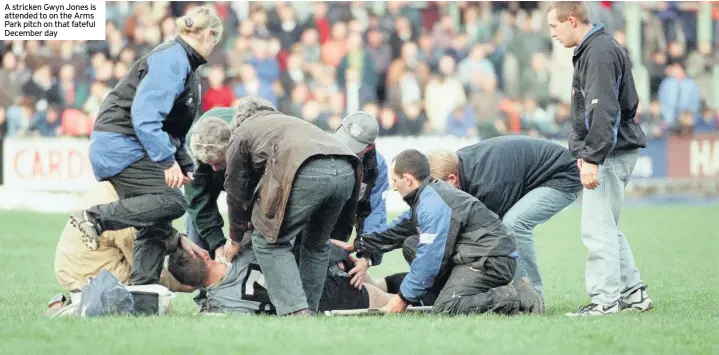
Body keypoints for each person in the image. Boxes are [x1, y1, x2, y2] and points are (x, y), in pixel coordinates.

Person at [69, 7, 222, 287]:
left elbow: (170, 127)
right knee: (173, 201)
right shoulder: (172, 60)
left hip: (128, 144)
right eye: (216, 41)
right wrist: (167, 162)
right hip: (120, 144)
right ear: (210, 34)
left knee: (158, 219)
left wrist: (183, 163)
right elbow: (146, 117)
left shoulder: (183, 63)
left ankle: (143, 294)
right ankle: (94, 218)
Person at [189, 96, 363, 316]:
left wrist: (234, 239)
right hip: (347, 167)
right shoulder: (287, 121)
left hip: (307, 170)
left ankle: (296, 312)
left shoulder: (241, 134)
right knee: (316, 245)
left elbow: (236, 192)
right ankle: (310, 310)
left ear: (238, 122)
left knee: (267, 241)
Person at [336, 149, 544, 315]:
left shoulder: (432, 204)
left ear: (408, 179)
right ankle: (442, 293)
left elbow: (430, 257)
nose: (394, 187)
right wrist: (358, 245)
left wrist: (402, 299)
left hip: (489, 260)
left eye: (395, 180)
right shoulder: (427, 196)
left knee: (446, 308)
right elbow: (398, 230)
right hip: (475, 253)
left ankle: (514, 295)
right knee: (410, 244)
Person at [547, 1, 653, 316]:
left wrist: (592, 157)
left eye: (554, 26)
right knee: (607, 226)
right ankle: (633, 294)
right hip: (611, 149)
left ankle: (605, 301)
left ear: (570, 20)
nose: (552, 33)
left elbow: (604, 110)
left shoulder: (599, 51)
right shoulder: (597, 48)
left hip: (610, 152)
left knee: (596, 230)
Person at [427, 136, 582, 296]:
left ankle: (532, 297)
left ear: (452, 179)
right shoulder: (456, 165)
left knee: (514, 225)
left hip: (562, 176)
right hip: (526, 174)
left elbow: (491, 233)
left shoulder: (487, 186)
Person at [49, 182, 196, 316]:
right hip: (94, 280)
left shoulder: (110, 187)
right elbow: (145, 261)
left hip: (80, 275)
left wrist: (178, 238)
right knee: (159, 302)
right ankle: (81, 308)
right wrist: (182, 285)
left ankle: (73, 304)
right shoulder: (122, 209)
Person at [167, 243, 393, 315]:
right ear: (204, 255)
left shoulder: (218, 305)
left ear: (189, 285)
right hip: (324, 286)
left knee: (386, 296)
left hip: (311, 301)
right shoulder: (243, 251)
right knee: (389, 298)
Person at [331, 111, 390, 287]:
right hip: (311, 227)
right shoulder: (316, 150)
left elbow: (374, 213)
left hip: (340, 230)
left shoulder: (376, 168)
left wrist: (367, 257)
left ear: (369, 147)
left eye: (353, 146)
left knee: (348, 275)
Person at [183, 106, 237, 260]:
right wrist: (218, 246)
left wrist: (235, 241)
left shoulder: (245, 140)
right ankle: (201, 270)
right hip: (203, 169)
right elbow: (198, 203)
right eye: (210, 164)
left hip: (240, 164)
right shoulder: (193, 151)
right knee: (194, 217)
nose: (214, 168)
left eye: (217, 163)